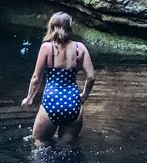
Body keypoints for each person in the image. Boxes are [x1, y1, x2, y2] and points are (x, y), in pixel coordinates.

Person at [21, 12, 95, 144]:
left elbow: (36, 77)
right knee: (67, 147)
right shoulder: (80, 48)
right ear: (69, 27)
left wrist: (29, 98)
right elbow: (91, 77)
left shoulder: (47, 47)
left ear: (51, 27)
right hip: (73, 102)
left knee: (39, 142)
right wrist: (84, 95)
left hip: (52, 101)